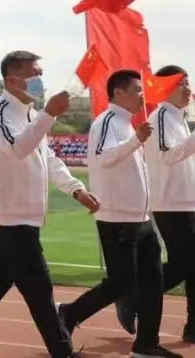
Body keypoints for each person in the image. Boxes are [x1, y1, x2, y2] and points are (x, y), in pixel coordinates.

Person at [0, 50, 99, 358]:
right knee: (41, 293)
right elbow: (17, 148)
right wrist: (49, 115)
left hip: (26, 219)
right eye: (35, 74)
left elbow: (48, 159)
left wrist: (76, 189)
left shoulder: (31, 114)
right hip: (11, 219)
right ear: (12, 80)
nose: (41, 80)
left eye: (41, 74)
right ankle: (63, 351)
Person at [58, 70, 181, 358]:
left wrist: (136, 139)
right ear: (118, 93)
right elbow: (102, 157)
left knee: (153, 282)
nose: (142, 96)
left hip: (141, 218)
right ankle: (68, 313)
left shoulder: (128, 125)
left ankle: (146, 344)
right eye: (137, 90)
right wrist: (136, 140)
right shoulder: (107, 122)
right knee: (120, 284)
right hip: (116, 220)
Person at [144, 65, 195, 343]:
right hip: (170, 202)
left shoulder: (179, 118)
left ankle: (193, 326)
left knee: (191, 265)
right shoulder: (162, 116)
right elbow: (168, 156)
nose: (189, 89)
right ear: (166, 87)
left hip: (187, 201)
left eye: (188, 83)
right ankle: (135, 294)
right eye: (182, 83)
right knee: (185, 263)